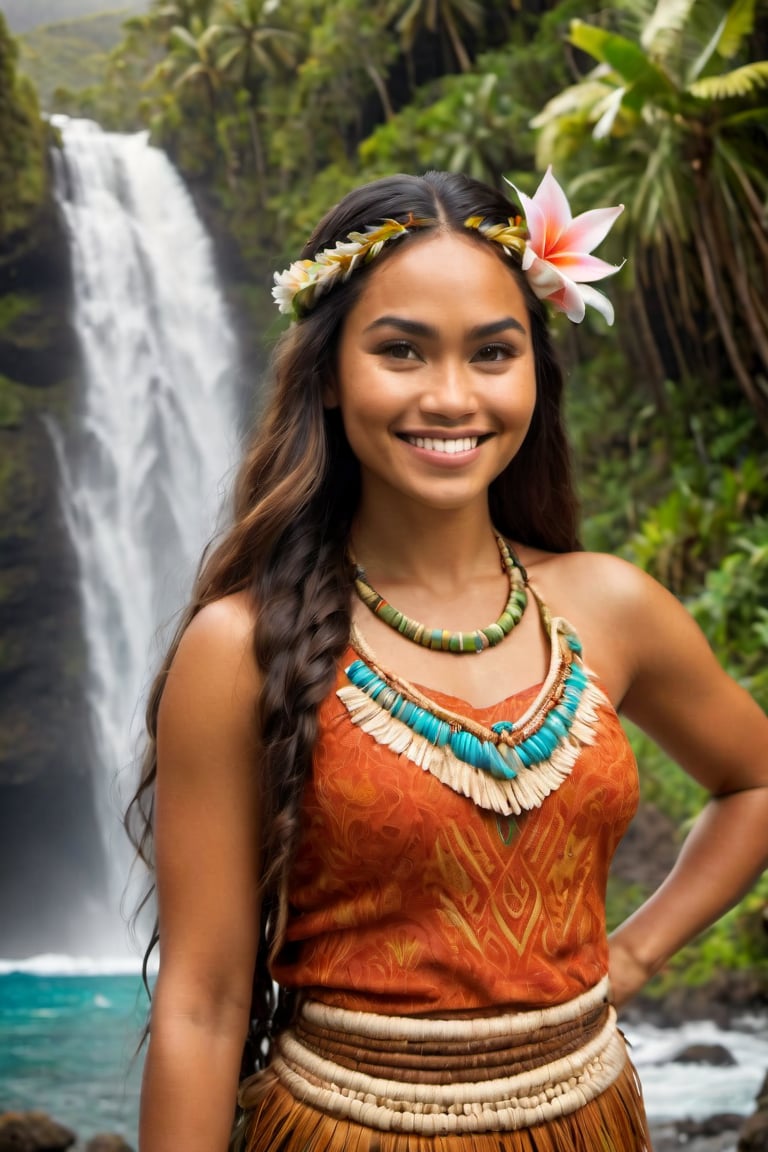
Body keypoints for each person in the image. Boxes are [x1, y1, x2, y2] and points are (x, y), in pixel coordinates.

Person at [128, 168, 768, 1152]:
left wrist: (633, 954)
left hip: (593, 1124)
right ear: (329, 377)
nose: (452, 396)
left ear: (534, 373)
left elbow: (753, 777)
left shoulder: (614, 606)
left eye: (493, 353)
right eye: (401, 351)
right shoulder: (238, 649)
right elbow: (203, 1006)